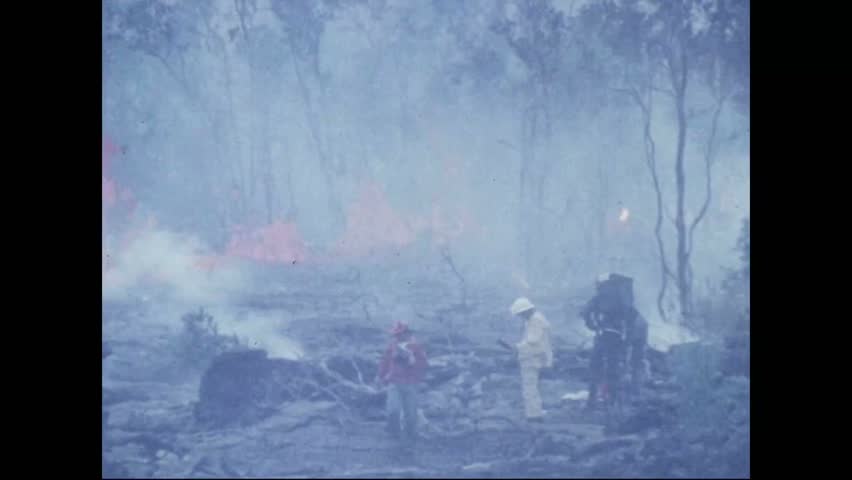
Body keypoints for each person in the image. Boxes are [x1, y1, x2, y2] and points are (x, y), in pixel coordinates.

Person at [581, 273, 646, 408]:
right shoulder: (623, 299)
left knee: (595, 367)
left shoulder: (600, 297)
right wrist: (627, 340)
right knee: (613, 369)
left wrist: (593, 326)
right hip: (617, 337)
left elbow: (585, 312)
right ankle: (612, 399)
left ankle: (592, 400)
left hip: (603, 335)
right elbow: (632, 319)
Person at [376, 321, 428, 442]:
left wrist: (413, 361)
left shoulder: (417, 347)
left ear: (406, 333)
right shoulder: (392, 346)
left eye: (399, 334)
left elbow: (424, 364)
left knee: (411, 415)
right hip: (394, 383)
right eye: (396, 335)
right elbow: (384, 362)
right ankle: (393, 436)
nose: (397, 337)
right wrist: (379, 376)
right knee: (393, 410)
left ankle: (411, 438)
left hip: (411, 384)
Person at [505, 297, 553, 423]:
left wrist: (517, 347)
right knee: (532, 387)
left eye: (520, 314)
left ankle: (533, 415)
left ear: (526, 311)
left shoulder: (535, 320)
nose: (520, 316)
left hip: (533, 358)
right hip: (533, 357)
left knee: (529, 387)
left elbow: (533, 341)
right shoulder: (535, 319)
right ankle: (535, 412)